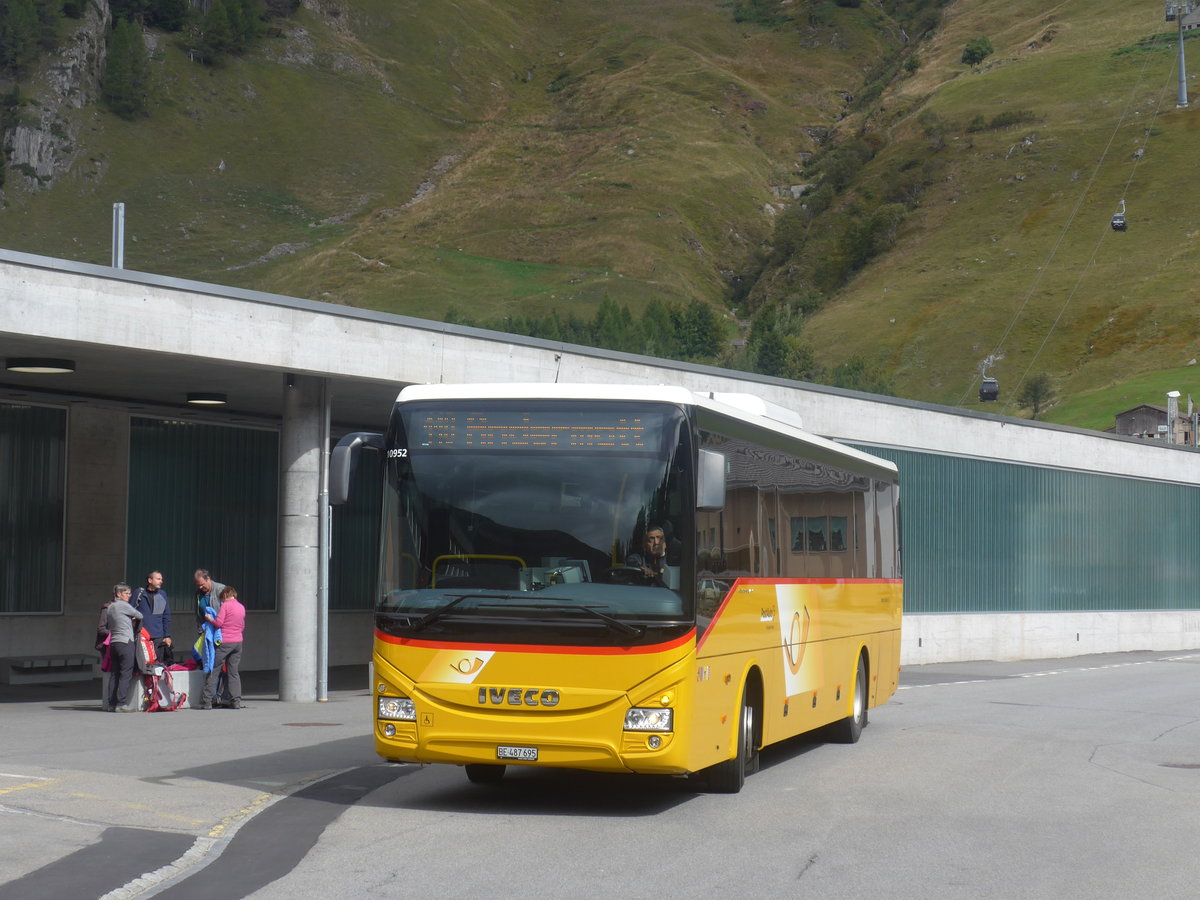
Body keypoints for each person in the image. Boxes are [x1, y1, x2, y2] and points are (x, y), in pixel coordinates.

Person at [198, 585, 245, 710]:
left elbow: (219, 623)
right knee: (233, 672)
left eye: (221, 599)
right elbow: (242, 626)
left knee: (215, 669)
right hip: (238, 642)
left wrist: (209, 619)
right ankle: (236, 701)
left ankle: (207, 701)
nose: (221, 601)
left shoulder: (226, 606)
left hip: (225, 642)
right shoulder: (241, 607)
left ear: (225, 595)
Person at [104, 583, 142, 712]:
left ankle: (111, 704)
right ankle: (121, 704)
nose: (129, 596)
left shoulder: (110, 607)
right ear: (118, 594)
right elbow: (140, 615)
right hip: (125, 642)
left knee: (114, 673)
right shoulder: (124, 605)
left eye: (130, 593)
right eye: (126, 593)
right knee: (126, 673)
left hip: (114, 643)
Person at [132, 570, 172, 664]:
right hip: (142, 636)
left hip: (158, 636)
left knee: (158, 665)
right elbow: (130, 610)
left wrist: (167, 635)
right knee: (142, 664)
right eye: (158, 579)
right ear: (150, 580)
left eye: (161, 579)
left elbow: (166, 616)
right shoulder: (139, 593)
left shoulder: (162, 594)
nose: (161, 581)